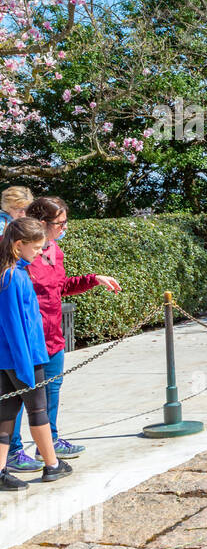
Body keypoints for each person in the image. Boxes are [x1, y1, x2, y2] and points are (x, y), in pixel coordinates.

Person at [4, 197, 120, 472]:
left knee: (49, 394)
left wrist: (93, 279)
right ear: (42, 224)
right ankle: (14, 451)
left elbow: (58, 287)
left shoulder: (53, 250)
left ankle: (50, 442)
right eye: (60, 223)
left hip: (53, 336)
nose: (65, 227)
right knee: (18, 399)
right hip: (29, 339)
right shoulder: (18, 258)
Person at [0, 218, 69, 489]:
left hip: (10, 359)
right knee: (38, 411)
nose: (41, 252)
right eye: (37, 247)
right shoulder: (13, 276)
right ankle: (52, 464)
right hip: (25, 359)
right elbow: (16, 326)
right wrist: (26, 368)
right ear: (19, 245)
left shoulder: (13, 271)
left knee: (5, 415)